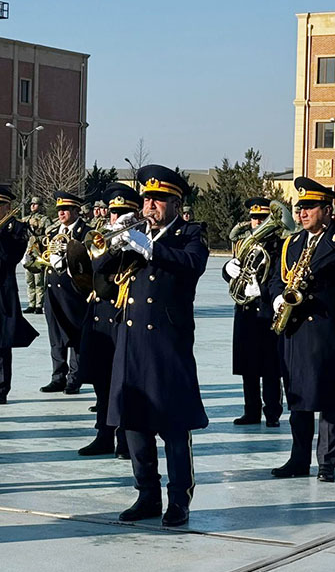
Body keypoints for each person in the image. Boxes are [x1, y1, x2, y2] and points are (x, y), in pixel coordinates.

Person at [96, 164, 209, 527]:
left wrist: (150, 249)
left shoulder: (190, 234)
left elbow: (192, 265)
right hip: (130, 344)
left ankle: (180, 500)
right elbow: (100, 279)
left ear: (176, 202)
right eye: (147, 199)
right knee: (134, 426)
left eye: (159, 199)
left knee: (174, 426)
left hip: (166, 344)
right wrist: (112, 247)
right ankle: (146, 494)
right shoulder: (135, 233)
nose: (150, 205)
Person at [269, 177, 335, 483]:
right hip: (295, 333)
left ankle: (327, 462)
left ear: (326, 209)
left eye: (309, 207)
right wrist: (274, 298)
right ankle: (298, 459)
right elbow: (276, 277)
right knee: (298, 399)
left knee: (328, 400)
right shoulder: (292, 243)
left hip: (327, 332)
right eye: (300, 208)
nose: (302, 213)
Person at [77, 183, 141, 458]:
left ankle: (127, 439)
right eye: (114, 213)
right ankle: (103, 435)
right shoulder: (103, 239)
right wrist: (111, 247)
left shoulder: (141, 241)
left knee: (126, 382)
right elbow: (94, 271)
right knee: (102, 382)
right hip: (101, 317)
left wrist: (130, 240)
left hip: (126, 317)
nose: (118, 218)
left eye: (124, 212)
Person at [221, 197, 283, 427]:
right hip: (246, 310)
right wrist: (228, 270)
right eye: (254, 217)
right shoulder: (244, 243)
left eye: (262, 218)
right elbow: (234, 268)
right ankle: (251, 411)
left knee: (270, 367)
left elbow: (279, 276)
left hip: (266, 309)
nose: (257, 221)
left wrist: (262, 289)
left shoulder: (278, 244)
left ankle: (273, 412)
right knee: (248, 366)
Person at [0, 185, 38, 405]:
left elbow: (11, 256)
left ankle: (1, 389)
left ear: (7, 207)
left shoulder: (17, 228)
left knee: (0, 343)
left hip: (1, 290)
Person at [40, 191, 89, 395]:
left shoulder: (85, 232)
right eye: (59, 209)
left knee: (75, 335)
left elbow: (87, 263)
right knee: (56, 336)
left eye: (66, 209)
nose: (61, 213)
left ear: (76, 210)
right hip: (53, 291)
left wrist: (67, 262)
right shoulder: (52, 232)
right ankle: (57, 376)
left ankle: (74, 378)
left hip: (74, 291)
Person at [23, 196, 53, 314]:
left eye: (35, 204)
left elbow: (49, 236)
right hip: (29, 253)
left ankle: (39, 304)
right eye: (32, 204)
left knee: (39, 281)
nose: (33, 206)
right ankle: (31, 303)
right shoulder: (26, 219)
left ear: (40, 206)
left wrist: (37, 238)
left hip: (39, 252)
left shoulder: (45, 220)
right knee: (29, 280)